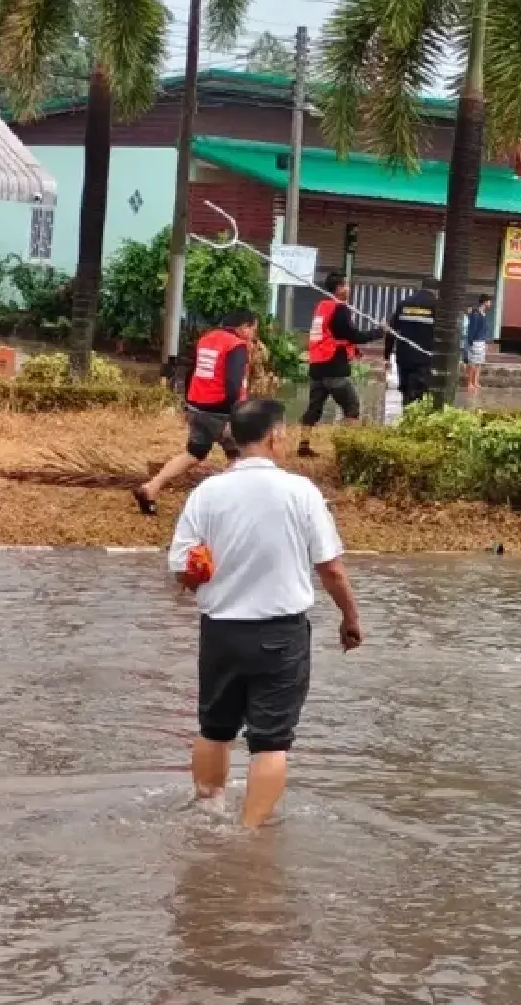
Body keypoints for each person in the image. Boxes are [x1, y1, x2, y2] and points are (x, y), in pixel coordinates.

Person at [168, 398, 364, 828]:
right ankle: (248, 837)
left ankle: (207, 816)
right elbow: (330, 568)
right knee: (270, 743)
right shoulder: (300, 492)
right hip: (280, 635)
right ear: (275, 435)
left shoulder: (207, 492)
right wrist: (350, 618)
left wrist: (201, 575)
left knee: (214, 728)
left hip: (219, 633)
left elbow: (181, 566)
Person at [136, 310, 260, 516]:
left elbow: (191, 372)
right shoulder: (236, 345)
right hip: (222, 411)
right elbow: (232, 384)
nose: (254, 335)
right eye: (253, 329)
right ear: (244, 327)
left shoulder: (206, 339)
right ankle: (223, 506)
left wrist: (188, 404)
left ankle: (151, 487)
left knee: (193, 453)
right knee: (240, 457)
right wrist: (235, 415)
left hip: (198, 407)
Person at [298, 273, 381, 458]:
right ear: (339, 288)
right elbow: (352, 335)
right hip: (334, 367)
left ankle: (303, 445)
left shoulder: (322, 307)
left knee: (313, 409)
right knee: (352, 407)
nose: (349, 289)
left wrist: (354, 351)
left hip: (317, 367)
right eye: (346, 285)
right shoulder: (339, 308)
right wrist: (379, 332)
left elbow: (334, 336)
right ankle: (351, 451)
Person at [385, 280, 438, 412]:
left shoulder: (404, 304)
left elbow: (391, 332)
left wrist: (387, 355)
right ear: (437, 291)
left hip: (404, 358)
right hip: (425, 359)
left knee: (406, 393)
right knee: (421, 396)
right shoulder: (437, 306)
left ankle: (406, 419)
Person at [461, 295, 493, 394]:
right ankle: (469, 382)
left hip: (481, 341)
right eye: (489, 302)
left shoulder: (483, 314)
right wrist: (470, 341)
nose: (490, 304)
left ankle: (475, 381)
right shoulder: (476, 314)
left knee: (479, 363)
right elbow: (472, 329)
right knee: (472, 363)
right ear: (484, 302)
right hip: (475, 341)